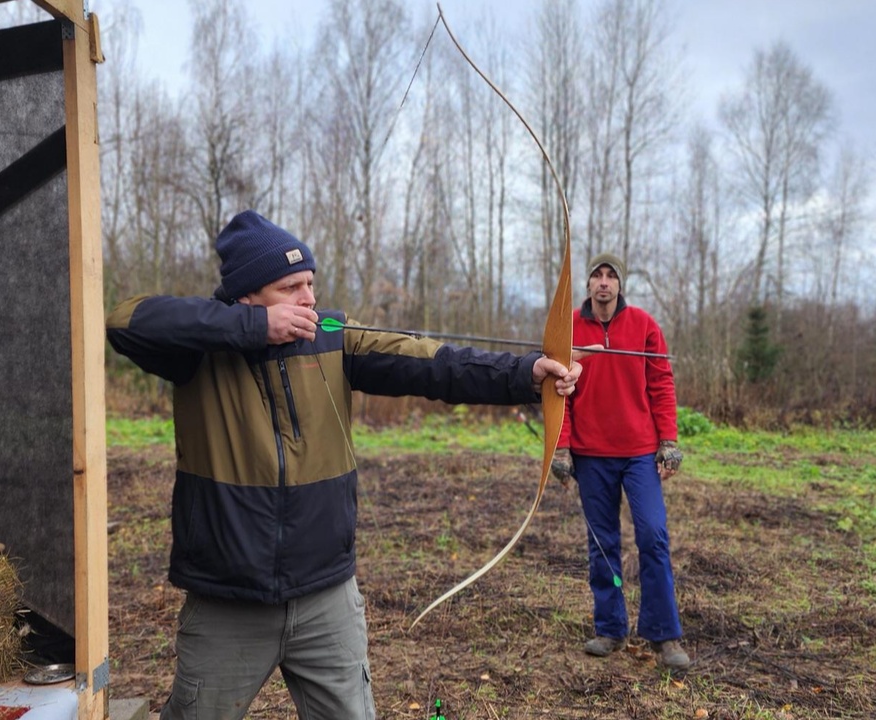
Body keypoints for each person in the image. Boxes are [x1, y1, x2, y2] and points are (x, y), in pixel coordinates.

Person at [106, 209, 583, 720]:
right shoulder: (197, 352)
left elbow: (428, 363)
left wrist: (524, 374)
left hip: (326, 599)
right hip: (228, 602)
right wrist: (252, 328)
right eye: (291, 287)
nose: (309, 298)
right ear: (248, 295)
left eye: (310, 282)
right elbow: (125, 321)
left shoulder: (330, 334)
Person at [549, 252, 690, 672]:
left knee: (653, 536)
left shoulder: (644, 326)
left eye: (611, 276)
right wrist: (562, 447)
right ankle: (610, 627)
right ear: (588, 285)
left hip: (639, 453)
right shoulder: (568, 328)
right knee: (603, 544)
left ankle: (663, 633)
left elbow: (661, 382)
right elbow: (558, 392)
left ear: (620, 285)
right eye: (597, 276)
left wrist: (668, 440)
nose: (604, 283)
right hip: (592, 455)